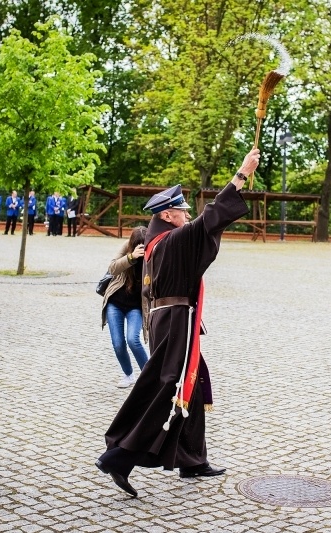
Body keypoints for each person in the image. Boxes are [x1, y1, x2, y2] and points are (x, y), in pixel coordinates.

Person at [95, 148, 260, 498]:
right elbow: (211, 220)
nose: (188, 215)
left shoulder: (159, 241)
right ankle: (118, 456)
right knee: (164, 387)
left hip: (171, 320)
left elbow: (204, 223)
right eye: (183, 210)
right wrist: (241, 175)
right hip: (174, 322)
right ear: (168, 215)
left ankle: (191, 458)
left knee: (193, 386)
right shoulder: (170, 241)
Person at [101, 226, 149, 388]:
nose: (142, 247)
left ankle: (150, 376)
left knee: (133, 339)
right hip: (116, 303)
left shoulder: (153, 251)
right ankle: (128, 375)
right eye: (138, 244)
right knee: (118, 343)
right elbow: (112, 268)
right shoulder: (126, 247)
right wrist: (131, 256)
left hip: (135, 306)